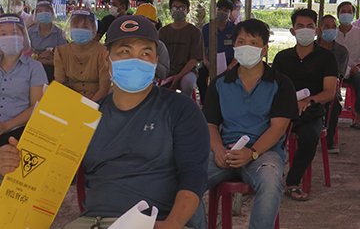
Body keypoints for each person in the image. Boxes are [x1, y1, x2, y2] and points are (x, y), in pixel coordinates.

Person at [0, 15, 211, 228]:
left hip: (156, 221)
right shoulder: (86, 117)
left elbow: (193, 175)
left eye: (145, 53)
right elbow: (50, 171)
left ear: (156, 61)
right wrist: (13, 161)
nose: (135, 60)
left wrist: (172, 224)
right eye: (124, 52)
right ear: (106, 60)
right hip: (94, 222)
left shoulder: (181, 109)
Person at [203, 18, 298, 229]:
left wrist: (252, 152)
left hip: (263, 154)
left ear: (264, 49)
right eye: (241, 41)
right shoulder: (220, 83)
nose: (246, 46)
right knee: (186, 177)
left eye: (253, 43)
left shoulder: (281, 83)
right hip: (225, 152)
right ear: (234, 46)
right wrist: (218, 149)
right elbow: (210, 124)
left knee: (271, 182)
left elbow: (278, 128)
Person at [273, 9, 337, 201]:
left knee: (309, 137)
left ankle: (292, 182)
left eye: (309, 26)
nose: (305, 30)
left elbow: (329, 92)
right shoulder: (282, 58)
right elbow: (273, 87)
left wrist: (309, 101)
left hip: (312, 111)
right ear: (293, 31)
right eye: (300, 26)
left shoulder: (326, 58)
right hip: (284, 111)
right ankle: (263, 176)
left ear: (316, 30)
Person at [0, 14, 47, 146]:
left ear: (23, 37)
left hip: (18, 132)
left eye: (14, 33)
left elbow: (37, 106)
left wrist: (5, 126)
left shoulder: (35, 68)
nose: (8, 37)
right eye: (3, 34)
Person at [54, 9, 111, 101]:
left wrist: (89, 107)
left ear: (94, 30)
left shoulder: (103, 52)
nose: (80, 29)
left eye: (85, 27)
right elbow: (60, 84)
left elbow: (104, 88)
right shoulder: (61, 52)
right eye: (76, 26)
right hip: (69, 100)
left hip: (99, 101)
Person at [335, 1, 360, 129]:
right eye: (343, 12)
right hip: (336, 70)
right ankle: (332, 111)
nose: (346, 14)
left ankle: (359, 114)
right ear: (338, 14)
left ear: (353, 15)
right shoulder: (332, 33)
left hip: (355, 69)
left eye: (349, 12)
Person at [159, 0, 203, 97]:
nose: (178, 10)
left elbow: (194, 60)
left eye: (182, 8)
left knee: (187, 83)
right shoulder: (163, 31)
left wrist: (178, 77)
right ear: (170, 10)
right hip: (166, 71)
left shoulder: (194, 32)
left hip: (187, 72)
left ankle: (185, 108)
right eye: (175, 7)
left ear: (187, 10)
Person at [317, 14, 349, 154]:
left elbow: (338, 75)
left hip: (330, 88)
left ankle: (328, 141)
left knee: (334, 106)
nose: (330, 30)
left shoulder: (342, 51)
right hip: (307, 88)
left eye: (333, 27)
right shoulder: (310, 47)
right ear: (319, 30)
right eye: (327, 27)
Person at [198, 0, 236, 101]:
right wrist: (206, 62)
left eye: (226, 10)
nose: (222, 12)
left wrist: (231, 66)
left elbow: (239, 51)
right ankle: (205, 102)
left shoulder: (234, 29)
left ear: (230, 13)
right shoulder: (207, 28)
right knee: (200, 75)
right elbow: (202, 49)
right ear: (215, 10)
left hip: (230, 63)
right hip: (211, 61)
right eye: (220, 9)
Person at [28, 0, 67, 82]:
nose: (43, 13)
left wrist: (40, 59)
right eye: (40, 11)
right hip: (32, 70)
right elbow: (26, 55)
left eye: (47, 11)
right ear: (36, 14)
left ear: (52, 13)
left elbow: (63, 58)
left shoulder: (59, 33)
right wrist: (40, 57)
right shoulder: (30, 32)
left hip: (54, 71)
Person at [134, 4, 170, 80]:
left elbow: (163, 73)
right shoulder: (126, 42)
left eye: (147, 22)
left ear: (154, 25)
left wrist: (149, 60)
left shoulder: (159, 46)